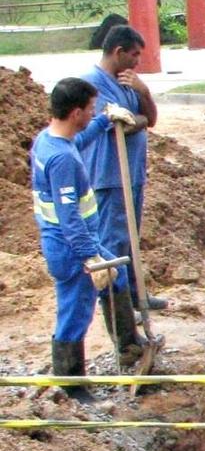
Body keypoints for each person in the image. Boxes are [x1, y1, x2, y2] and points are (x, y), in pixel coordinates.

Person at [31, 79, 142, 403]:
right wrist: (90, 257)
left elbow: (79, 140)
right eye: (91, 109)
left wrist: (104, 120)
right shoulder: (62, 160)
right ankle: (71, 383)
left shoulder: (50, 140)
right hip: (70, 247)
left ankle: (128, 345)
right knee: (76, 311)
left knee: (118, 275)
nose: (92, 112)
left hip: (77, 240)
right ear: (76, 112)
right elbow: (69, 217)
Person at [79, 24, 167, 311]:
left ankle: (134, 293)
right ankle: (117, 309)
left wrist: (144, 90)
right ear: (118, 52)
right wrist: (135, 119)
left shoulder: (128, 82)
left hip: (132, 173)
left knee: (130, 239)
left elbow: (148, 119)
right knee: (113, 243)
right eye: (134, 55)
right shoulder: (93, 84)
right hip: (110, 175)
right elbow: (121, 126)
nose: (138, 62)